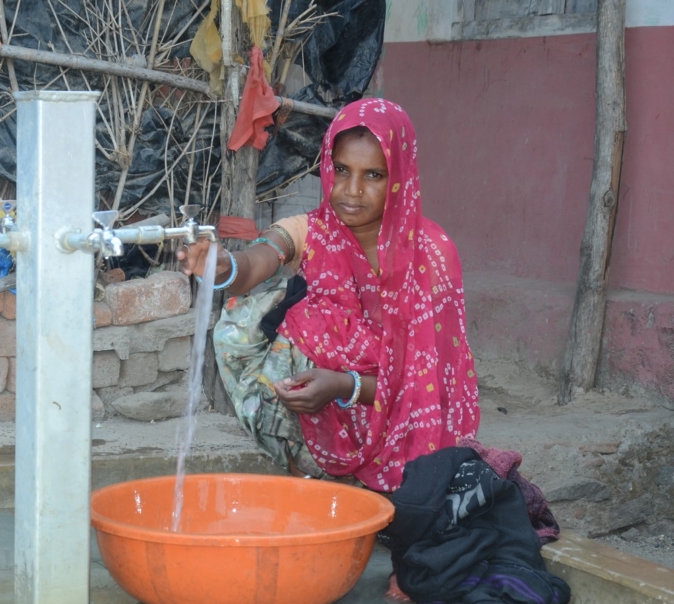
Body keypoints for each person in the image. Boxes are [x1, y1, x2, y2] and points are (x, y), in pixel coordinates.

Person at [178, 98, 480, 494]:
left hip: (405, 423)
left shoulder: (432, 253)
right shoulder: (313, 230)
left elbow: (435, 381)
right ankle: (314, 463)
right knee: (261, 314)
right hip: (326, 414)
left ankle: (379, 479)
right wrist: (225, 266)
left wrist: (344, 386)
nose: (352, 191)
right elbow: (260, 259)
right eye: (341, 170)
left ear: (400, 178)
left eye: (373, 175)